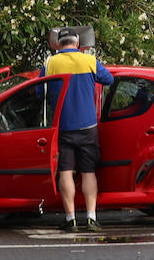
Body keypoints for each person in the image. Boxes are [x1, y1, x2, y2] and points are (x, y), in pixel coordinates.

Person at [43, 29, 115, 232]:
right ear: (77, 43)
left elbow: (40, 91)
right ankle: (92, 218)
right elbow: (109, 79)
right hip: (88, 126)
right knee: (88, 172)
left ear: (59, 43)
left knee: (65, 172)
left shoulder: (51, 63)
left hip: (63, 126)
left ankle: (70, 219)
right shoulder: (89, 61)